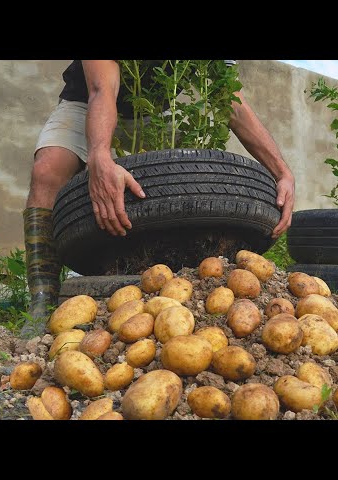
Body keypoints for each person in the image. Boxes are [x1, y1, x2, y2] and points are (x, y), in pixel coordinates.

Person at [21, 59, 295, 338]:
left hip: (154, 112)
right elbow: (101, 89)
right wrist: (99, 156)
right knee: (47, 169)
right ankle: (42, 300)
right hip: (89, 102)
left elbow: (231, 102)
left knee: (180, 176)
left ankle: (171, 288)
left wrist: (282, 172)